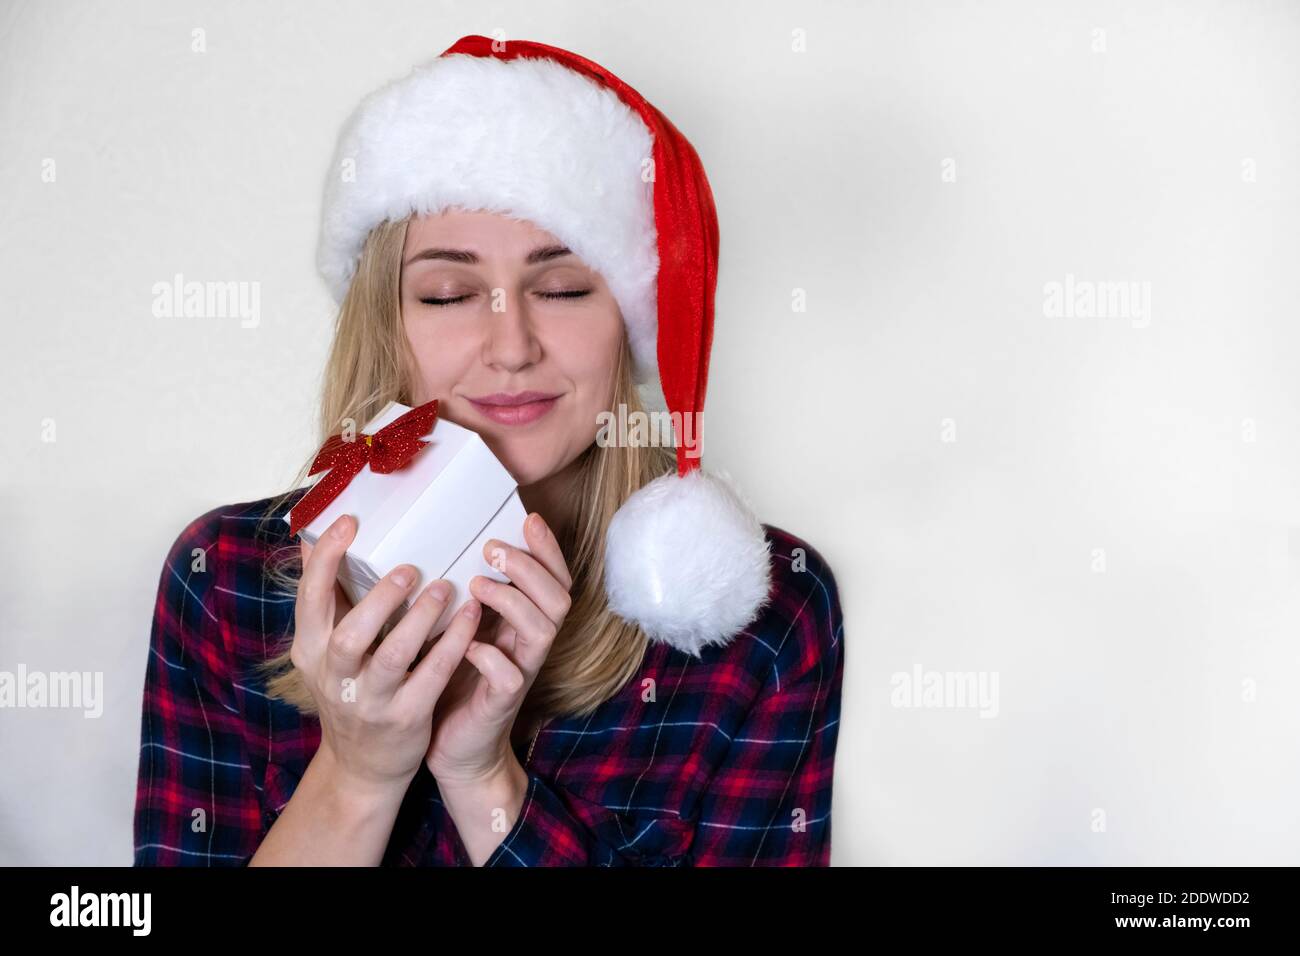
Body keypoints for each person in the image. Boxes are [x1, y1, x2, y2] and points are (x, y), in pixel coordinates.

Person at [132, 35, 845, 867]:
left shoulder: (761, 617)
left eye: (563, 288)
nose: (511, 347)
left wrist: (483, 781)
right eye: (448, 293)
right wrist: (358, 775)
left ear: (630, 323)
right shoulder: (222, 580)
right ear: (387, 325)